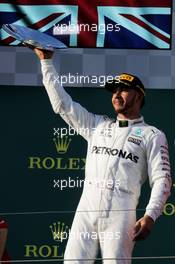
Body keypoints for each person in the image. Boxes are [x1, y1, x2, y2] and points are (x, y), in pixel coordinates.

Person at [32, 48, 171, 264]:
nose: (116, 95)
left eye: (123, 90)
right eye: (114, 90)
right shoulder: (98, 125)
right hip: (86, 208)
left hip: (121, 212)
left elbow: (162, 179)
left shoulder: (152, 134)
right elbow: (63, 105)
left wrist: (151, 215)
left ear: (139, 95)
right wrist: (47, 63)